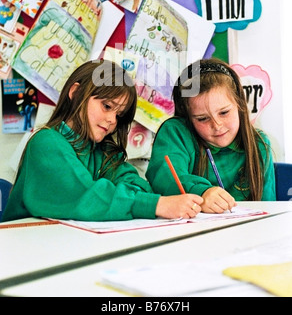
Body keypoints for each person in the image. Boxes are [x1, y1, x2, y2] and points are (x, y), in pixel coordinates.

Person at [2, 60, 202, 223]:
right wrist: (157, 205)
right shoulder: (46, 142)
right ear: (76, 93)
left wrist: (115, 197)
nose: (112, 120)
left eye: (119, 115)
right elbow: (86, 196)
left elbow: (139, 187)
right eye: (107, 106)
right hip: (28, 252)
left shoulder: (102, 151)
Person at [146, 58, 276, 214]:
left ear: (240, 105)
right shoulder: (176, 133)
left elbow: (268, 209)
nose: (217, 125)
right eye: (202, 119)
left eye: (224, 112)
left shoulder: (259, 144)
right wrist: (201, 192)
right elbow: (165, 178)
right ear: (187, 116)